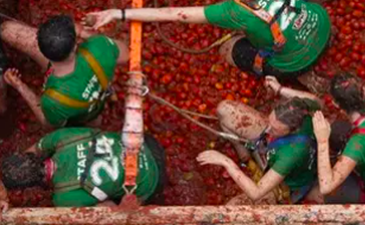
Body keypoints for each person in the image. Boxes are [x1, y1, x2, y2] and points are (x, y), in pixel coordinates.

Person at [85, 0, 331, 88]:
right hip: (321, 24)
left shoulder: (235, 11)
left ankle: (303, 75)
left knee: (228, 49)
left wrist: (118, 13)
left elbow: (174, 14)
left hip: (294, 61)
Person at [0, 15, 128, 129]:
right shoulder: (99, 46)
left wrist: (20, 86)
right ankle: (100, 113)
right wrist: (86, 34)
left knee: (5, 29)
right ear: (76, 44)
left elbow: (47, 123)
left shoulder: (52, 101)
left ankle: (91, 123)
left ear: (41, 50)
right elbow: (126, 54)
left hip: (80, 112)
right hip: (98, 93)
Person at [197, 89, 320, 205]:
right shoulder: (300, 109)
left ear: (293, 130)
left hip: (283, 184)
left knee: (231, 210)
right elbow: (316, 100)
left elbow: (256, 193)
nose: (268, 130)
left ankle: (253, 160)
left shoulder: (290, 154)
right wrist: (279, 88)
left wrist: (226, 162)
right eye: (270, 121)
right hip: (273, 149)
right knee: (224, 109)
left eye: (275, 129)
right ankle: (243, 153)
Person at [0, 128, 165, 207]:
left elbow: (109, 210)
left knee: (107, 199)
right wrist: (20, 163)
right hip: (147, 143)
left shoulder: (64, 197)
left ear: (30, 186)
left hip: (152, 181)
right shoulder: (62, 138)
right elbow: (37, 148)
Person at [311, 72, 365, 203]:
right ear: (364, 91)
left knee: (317, 194)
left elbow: (326, 187)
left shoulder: (357, 145)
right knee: (337, 129)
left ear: (335, 104)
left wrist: (322, 141)